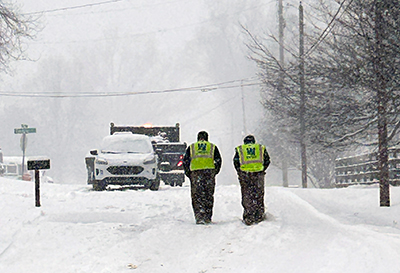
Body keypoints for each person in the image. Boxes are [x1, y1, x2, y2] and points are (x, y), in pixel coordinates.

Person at [183, 131, 222, 224]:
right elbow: (218, 160)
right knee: (208, 195)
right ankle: (207, 216)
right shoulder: (212, 147)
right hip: (209, 173)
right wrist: (214, 172)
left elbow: (185, 161)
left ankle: (199, 216)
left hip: (196, 174)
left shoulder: (192, 147)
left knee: (197, 195)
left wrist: (189, 173)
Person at [233, 135, 270, 225]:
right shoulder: (260, 148)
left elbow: (236, 162)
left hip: (245, 175)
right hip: (258, 175)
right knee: (258, 194)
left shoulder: (241, 149)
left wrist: (240, 172)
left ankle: (249, 216)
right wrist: (261, 169)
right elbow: (267, 160)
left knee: (247, 194)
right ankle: (259, 215)